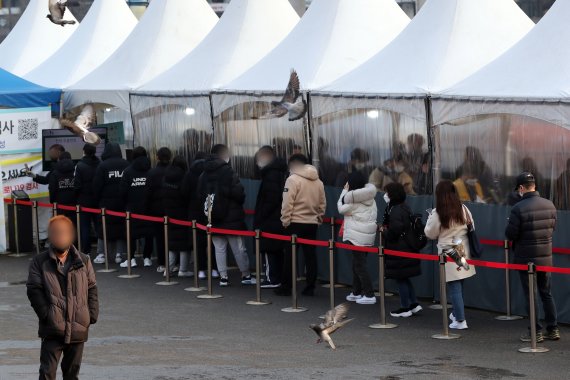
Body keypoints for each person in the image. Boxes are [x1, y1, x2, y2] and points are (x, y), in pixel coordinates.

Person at [26, 215, 98, 380]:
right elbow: (33, 290)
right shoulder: (39, 261)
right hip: (53, 327)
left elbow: (92, 288)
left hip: (78, 326)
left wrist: (91, 315)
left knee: (72, 374)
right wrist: (47, 315)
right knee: (47, 373)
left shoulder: (84, 260)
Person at [505, 172, 559, 342]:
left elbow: (511, 234)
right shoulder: (550, 205)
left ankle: (535, 331)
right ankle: (553, 328)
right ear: (534, 185)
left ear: (521, 188)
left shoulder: (518, 208)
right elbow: (552, 228)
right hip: (546, 257)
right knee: (546, 293)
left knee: (531, 295)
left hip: (526, 258)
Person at [198, 144, 254, 286]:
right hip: (231, 217)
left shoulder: (203, 174)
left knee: (219, 248)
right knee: (238, 248)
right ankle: (246, 275)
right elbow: (238, 194)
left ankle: (223, 277)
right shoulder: (228, 172)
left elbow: (200, 194)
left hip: (213, 216)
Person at [425, 180, 476, 330]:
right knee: (459, 285)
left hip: (448, 252)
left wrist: (428, 219)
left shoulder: (438, 212)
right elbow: (472, 225)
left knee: (454, 287)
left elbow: (430, 233)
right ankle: (456, 313)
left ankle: (460, 320)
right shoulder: (463, 208)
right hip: (463, 250)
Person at [278, 154, 326, 297]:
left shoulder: (292, 179)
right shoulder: (318, 181)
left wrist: (285, 220)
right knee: (310, 256)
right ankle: (310, 286)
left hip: (294, 222)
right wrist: (318, 218)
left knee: (290, 256)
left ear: (294, 164)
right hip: (311, 223)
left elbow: (287, 202)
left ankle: (287, 287)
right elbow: (322, 203)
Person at [382, 182, 423, 317]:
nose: (385, 195)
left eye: (387, 193)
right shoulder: (404, 207)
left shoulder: (395, 210)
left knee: (401, 278)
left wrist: (384, 231)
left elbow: (394, 231)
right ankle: (414, 304)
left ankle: (404, 308)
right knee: (405, 278)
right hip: (408, 247)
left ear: (392, 194)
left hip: (399, 249)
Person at [338, 172, 377, 305]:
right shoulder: (371, 198)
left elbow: (341, 208)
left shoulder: (353, 201)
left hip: (356, 237)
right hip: (367, 237)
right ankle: (356, 291)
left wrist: (344, 191)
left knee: (359, 266)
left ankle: (369, 294)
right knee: (358, 264)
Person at [253, 146, 288, 288]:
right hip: (278, 218)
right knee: (277, 249)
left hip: (269, 219)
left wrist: (261, 215)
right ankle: (276, 277)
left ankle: (271, 278)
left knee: (268, 249)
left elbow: (271, 199)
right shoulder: (280, 172)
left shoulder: (270, 175)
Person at [182, 152, 218, 280]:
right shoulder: (211, 173)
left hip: (194, 212)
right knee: (213, 242)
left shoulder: (189, 174)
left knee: (199, 243)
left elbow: (184, 193)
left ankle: (201, 270)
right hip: (209, 210)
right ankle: (214, 269)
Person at [92, 142, 129, 265]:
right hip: (122, 202)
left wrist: (98, 200)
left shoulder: (102, 166)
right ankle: (120, 253)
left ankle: (102, 253)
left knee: (103, 228)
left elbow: (97, 186)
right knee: (121, 228)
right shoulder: (125, 164)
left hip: (106, 202)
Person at [119, 146, 153, 268]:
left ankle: (131, 259)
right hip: (148, 207)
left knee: (131, 234)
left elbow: (122, 191)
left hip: (132, 208)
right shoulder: (150, 171)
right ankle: (147, 258)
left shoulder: (128, 171)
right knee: (148, 233)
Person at [161, 156, 192, 277]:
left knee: (172, 242)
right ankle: (183, 270)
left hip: (168, 213)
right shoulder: (185, 177)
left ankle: (167, 269)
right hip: (182, 214)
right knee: (184, 242)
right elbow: (186, 194)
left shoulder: (166, 177)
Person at [147, 147, 172, 273]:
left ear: (157, 157)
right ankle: (175, 263)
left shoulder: (152, 173)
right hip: (172, 209)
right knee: (173, 236)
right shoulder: (174, 171)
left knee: (160, 238)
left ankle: (162, 263)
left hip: (156, 210)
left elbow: (148, 192)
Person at [74, 144, 100, 260]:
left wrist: (77, 196)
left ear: (84, 152)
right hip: (97, 199)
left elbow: (77, 185)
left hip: (84, 199)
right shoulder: (100, 164)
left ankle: (87, 251)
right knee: (99, 225)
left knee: (85, 226)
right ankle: (101, 251)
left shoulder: (79, 165)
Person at [48, 152, 77, 224]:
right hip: (74, 204)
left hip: (59, 204)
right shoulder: (75, 171)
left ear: (59, 159)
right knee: (73, 225)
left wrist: (52, 201)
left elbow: (52, 188)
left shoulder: (55, 172)